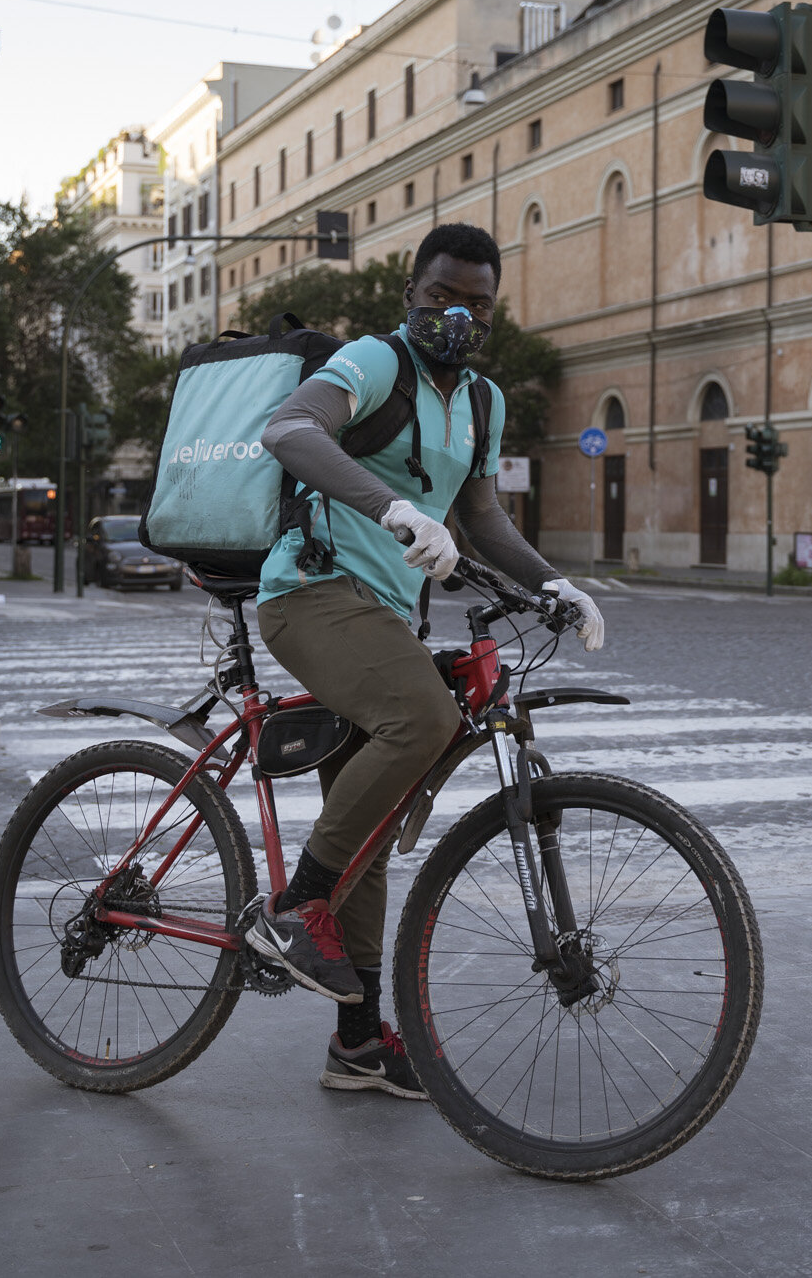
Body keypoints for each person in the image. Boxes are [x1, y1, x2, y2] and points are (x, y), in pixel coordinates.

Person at [241, 223, 606, 1100]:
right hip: (311, 596)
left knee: (368, 813)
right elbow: (288, 430)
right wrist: (397, 508)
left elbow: (482, 518)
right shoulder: (373, 364)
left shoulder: (483, 400)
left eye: (478, 303)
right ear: (412, 292)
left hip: (385, 620)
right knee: (425, 719)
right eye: (443, 296)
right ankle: (293, 911)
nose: (459, 315)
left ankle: (357, 1044)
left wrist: (556, 585)